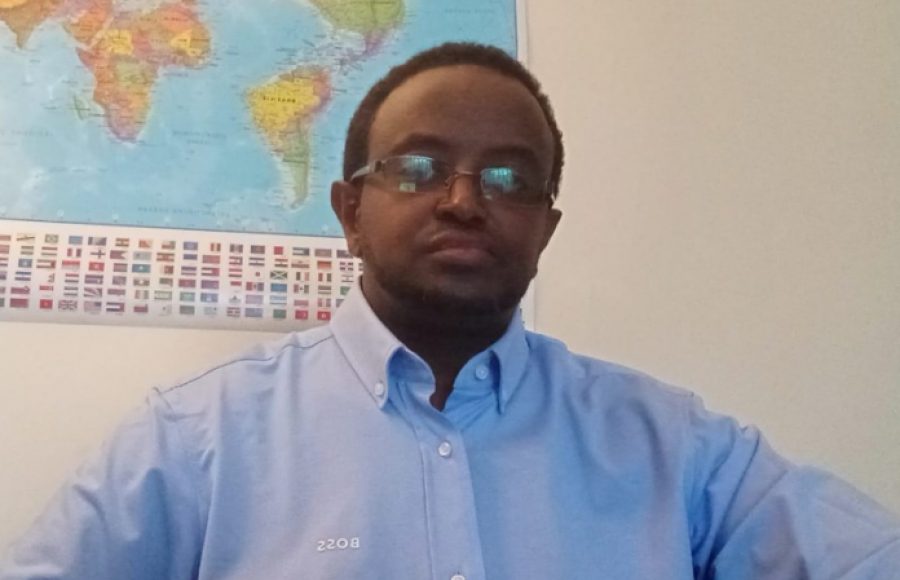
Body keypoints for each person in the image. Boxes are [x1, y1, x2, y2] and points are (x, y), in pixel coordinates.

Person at [2, 42, 898, 580]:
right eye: (419, 168)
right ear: (350, 212)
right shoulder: (196, 438)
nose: (464, 201)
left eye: (508, 178)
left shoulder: (677, 447)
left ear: (544, 227)